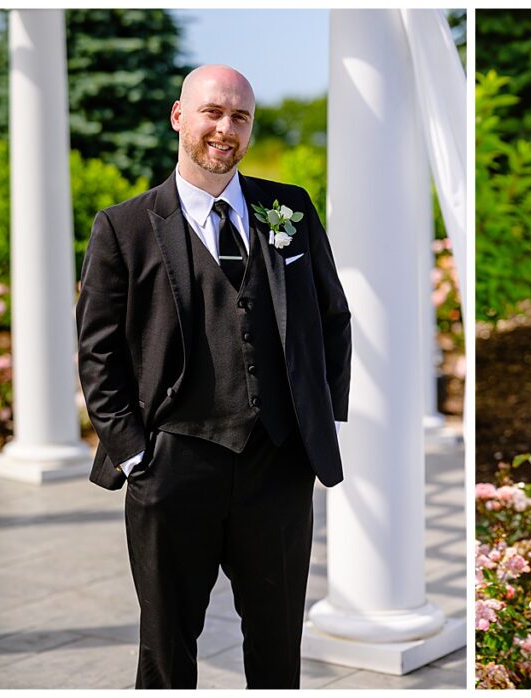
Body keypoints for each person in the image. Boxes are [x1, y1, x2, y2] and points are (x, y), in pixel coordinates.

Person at [76, 64, 351, 689]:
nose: (225, 129)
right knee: (168, 646)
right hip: (172, 467)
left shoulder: (291, 210)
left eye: (240, 117)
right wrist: (135, 453)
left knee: (279, 644)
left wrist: (317, 419)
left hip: (276, 465)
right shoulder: (123, 227)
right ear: (180, 116)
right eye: (212, 112)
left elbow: (333, 316)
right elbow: (99, 351)